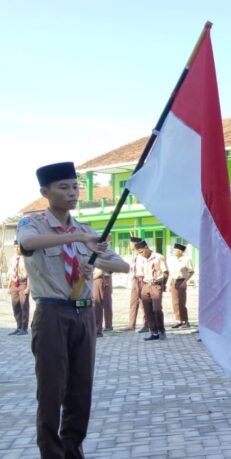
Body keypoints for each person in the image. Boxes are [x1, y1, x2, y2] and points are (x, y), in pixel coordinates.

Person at [17, 161, 128, 458]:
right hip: (52, 313)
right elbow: (27, 242)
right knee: (52, 391)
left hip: (84, 314)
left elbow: (123, 264)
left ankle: (72, 450)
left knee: (81, 390)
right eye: (63, 187)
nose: (72, 193)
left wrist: (94, 260)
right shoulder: (33, 222)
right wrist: (77, 239)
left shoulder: (87, 229)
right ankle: (51, 453)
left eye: (75, 187)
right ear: (45, 191)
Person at [136, 240, 168, 341]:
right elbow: (140, 275)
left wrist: (163, 284)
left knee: (157, 309)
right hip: (145, 285)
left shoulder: (158, 257)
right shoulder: (140, 259)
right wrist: (142, 288)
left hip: (156, 285)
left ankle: (161, 331)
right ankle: (154, 332)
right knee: (147, 310)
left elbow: (166, 272)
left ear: (146, 248)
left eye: (141, 251)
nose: (140, 254)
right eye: (138, 252)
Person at [167, 243, 194, 329]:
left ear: (180, 251)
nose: (174, 251)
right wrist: (169, 284)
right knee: (175, 302)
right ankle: (178, 321)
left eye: (176, 250)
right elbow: (171, 273)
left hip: (182, 281)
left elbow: (191, 271)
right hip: (173, 281)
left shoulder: (186, 259)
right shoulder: (172, 259)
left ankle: (185, 321)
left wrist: (185, 281)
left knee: (182, 302)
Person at [127, 236, 150, 333]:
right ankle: (131, 325)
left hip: (142, 280)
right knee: (133, 303)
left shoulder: (143, 255)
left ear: (134, 244)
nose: (129, 245)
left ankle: (146, 324)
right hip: (135, 280)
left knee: (143, 303)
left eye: (130, 243)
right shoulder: (134, 255)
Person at [8, 240, 31, 335]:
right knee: (15, 306)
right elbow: (11, 273)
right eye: (15, 247)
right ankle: (18, 327)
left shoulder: (26, 259)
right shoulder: (12, 259)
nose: (17, 249)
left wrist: (28, 287)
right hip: (14, 284)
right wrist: (10, 286)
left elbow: (30, 274)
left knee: (24, 306)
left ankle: (24, 328)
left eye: (18, 247)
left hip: (23, 283)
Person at [92, 266, 113, 338]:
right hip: (98, 279)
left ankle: (98, 330)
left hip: (98, 279)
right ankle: (98, 329)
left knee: (98, 305)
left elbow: (101, 270)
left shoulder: (100, 256)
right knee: (97, 305)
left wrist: (91, 277)